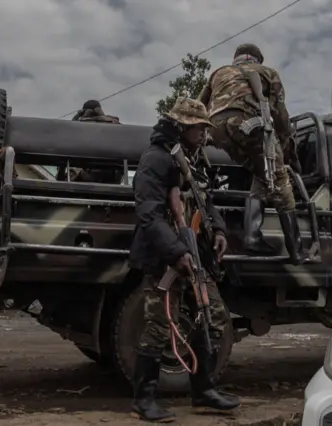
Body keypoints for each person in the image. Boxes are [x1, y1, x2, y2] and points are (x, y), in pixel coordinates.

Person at [129, 97, 240, 422]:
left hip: (197, 254)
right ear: (182, 127)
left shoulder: (193, 159)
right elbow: (149, 213)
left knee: (214, 318)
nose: (204, 134)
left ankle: (203, 391)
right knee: (159, 327)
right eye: (199, 128)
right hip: (164, 258)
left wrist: (218, 231)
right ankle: (143, 400)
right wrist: (176, 253)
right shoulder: (156, 160)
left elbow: (206, 199)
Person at [197, 43, 306, 265]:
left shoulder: (218, 73)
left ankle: (252, 237)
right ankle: (297, 251)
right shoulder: (267, 73)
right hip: (247, 124)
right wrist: (286, 143)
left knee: (260, 172)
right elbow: (280, 115)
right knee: (281, 183)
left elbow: (199, 104)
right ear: (257, 59)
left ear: (236, 58)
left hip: (215, 129)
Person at [57, 100, 123, 183]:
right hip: (111, 178)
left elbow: (64, 147)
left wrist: (78, 118)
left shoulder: (78, 126)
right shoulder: (114, 125)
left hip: (86, 178)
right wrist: (102, 117)